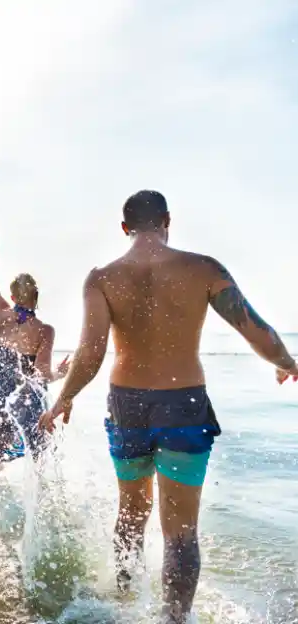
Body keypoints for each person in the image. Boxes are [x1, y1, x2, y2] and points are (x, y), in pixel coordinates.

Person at [37, 190, 298, 623]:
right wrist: (286, 362)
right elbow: (253, 327)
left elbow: (91, 351)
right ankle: (175, 619)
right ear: (167, 220)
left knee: (131, 514)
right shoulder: (204, 269)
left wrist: (64, 398)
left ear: (125, 228)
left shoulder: (102, 278)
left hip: (126, 407)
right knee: (180, 534)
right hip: (184, 405)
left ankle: (123, 605)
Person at [0, 226, 69, 481]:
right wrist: (60, 374)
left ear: (12, 296)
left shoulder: (1, 314)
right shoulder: (44, 332)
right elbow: (40, 377)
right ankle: (36, 509)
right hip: (26, 400)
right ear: (36, 297)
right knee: (38, 458)